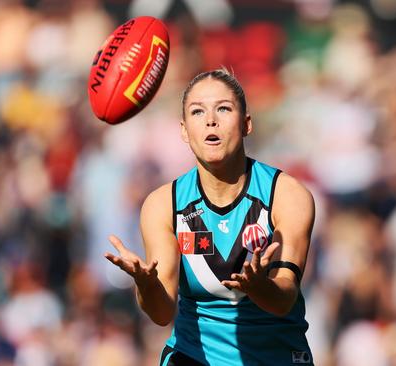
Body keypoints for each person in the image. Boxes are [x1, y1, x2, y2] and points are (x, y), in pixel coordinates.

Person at [104, 69, 315, 365]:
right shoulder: (164, 204)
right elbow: (162, 314)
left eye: (224, 108)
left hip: (275, 356)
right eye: (197, 111)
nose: (210, 120)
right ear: (183, 130)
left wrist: (260, 287)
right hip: (194, 357)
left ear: (246, 124)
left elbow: (284, 299)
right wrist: (146, 284)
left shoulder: (286, 195)